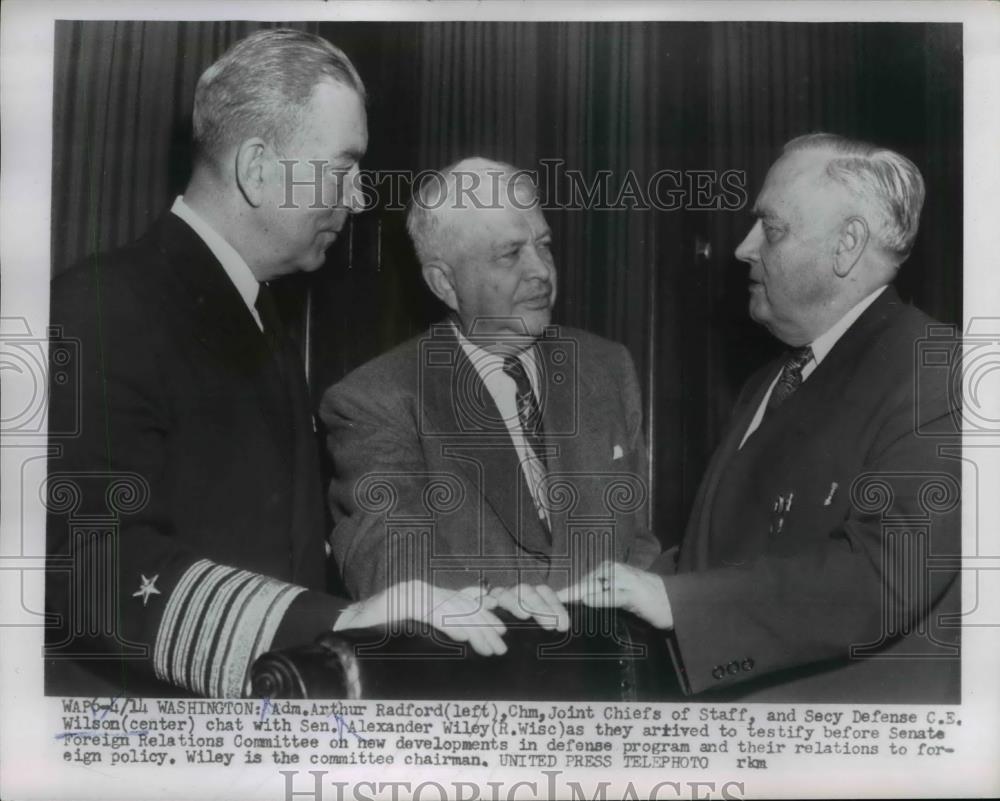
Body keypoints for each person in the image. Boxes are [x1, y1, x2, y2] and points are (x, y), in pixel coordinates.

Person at [46, 30, 512, 699]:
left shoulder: (255, 310)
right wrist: (334, 622)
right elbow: (87, 562)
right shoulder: (97, 308)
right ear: (258, 168)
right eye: (343, 167)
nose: (357, 198)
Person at [559, 133, 961, 702]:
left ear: (847, 245)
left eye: (771, 228)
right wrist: (594, 593)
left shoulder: (941, 371)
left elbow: (887, 573)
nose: (744, 248)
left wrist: (675, 602)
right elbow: (726, 552)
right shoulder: (771, 381)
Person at [322, 158, 661, 617]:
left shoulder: (606, 368)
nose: (541, 270)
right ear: (444, 282)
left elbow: (639, 549)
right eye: (510, 254)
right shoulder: (376, 400)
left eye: (544, 246)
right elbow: (389, 564)